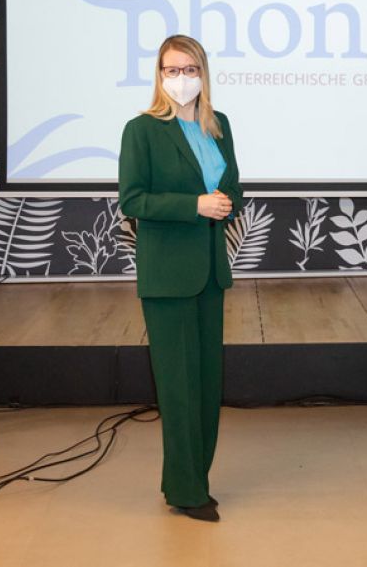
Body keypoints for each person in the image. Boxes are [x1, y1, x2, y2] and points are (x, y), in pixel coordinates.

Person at [118, 34, 243, 522]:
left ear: (203, 73)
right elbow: (133, 200)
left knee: (206, 386)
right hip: (167, 276)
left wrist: (228, 200)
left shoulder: (220, 125)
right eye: (172, 70)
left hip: (211, 272)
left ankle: (197, 480)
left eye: (190, 69)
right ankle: (185, 490)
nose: (181, 78)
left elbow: (232, 185)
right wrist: (194, 206)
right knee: (177, 388)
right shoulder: (142, 130)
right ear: (159, 76)